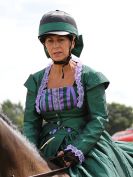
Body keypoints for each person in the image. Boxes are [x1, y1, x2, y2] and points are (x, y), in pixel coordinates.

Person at [23, 10, 133, 177]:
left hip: (86, 146)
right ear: (44, 45)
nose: (55, 46)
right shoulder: (36, 80)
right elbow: (31, 123)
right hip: (47, 146)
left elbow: (99, 119)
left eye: (61, 40)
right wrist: (30, 153)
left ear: (72, 42)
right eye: (50, 41)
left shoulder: (91, 77)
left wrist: (76, 151)